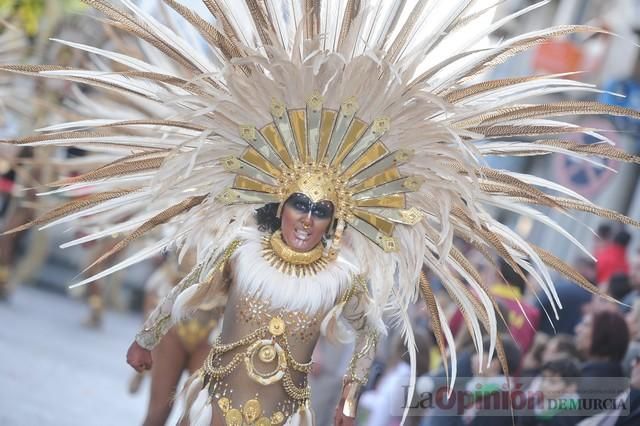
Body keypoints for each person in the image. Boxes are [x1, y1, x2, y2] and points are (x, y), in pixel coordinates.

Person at [4, 1, 640, 425]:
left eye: (319, 211)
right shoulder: (241, 247)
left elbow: (365, 331)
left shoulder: (344, 274)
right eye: (298, 205)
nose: (305, 218)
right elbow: (192, 293)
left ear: (337, 220)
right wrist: (146, 340)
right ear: (278, 204)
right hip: (224, 388)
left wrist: (352, 391)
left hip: (290, 406)